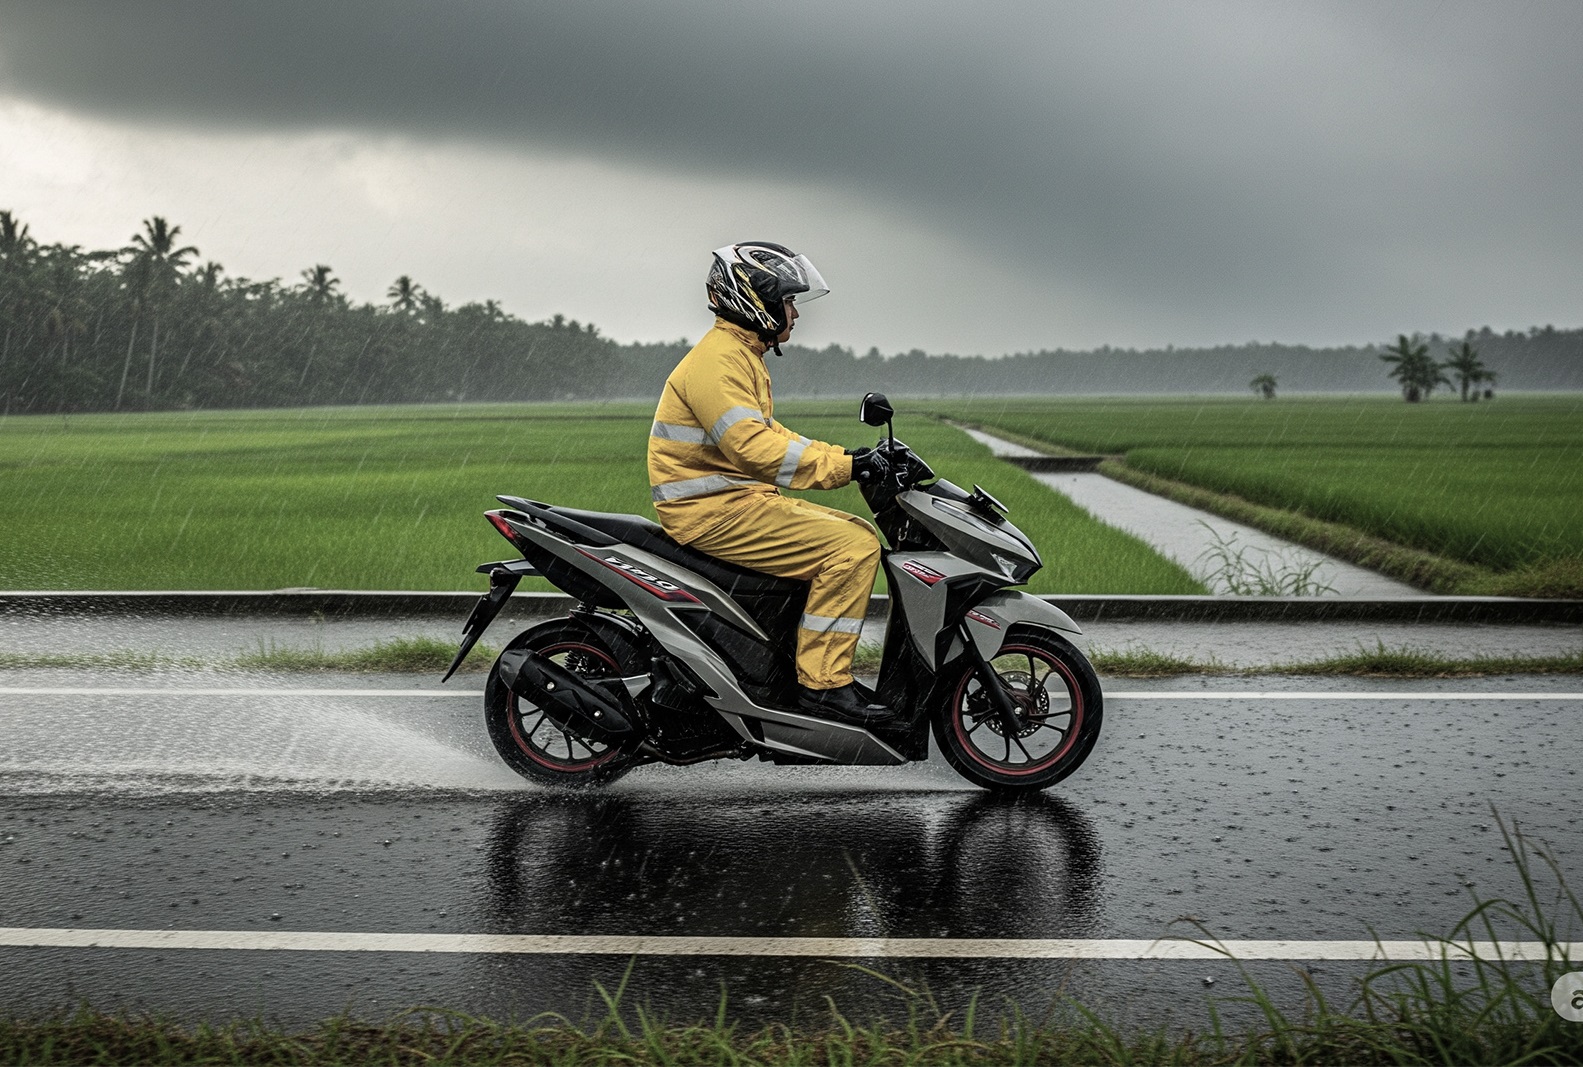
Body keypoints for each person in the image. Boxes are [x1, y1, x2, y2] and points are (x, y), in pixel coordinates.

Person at [647, 242, 899, 729]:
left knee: (851, 536)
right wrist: (849, 469)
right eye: (788, 300)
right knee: (852, 547)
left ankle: (787, 670)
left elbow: (771, 435)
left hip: (734, 502)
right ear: (753, 298)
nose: (795, 313)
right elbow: (752, 449)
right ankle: (823, 688)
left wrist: (849, 458)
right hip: (713, 512)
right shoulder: (718, 363)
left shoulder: (739, 355)